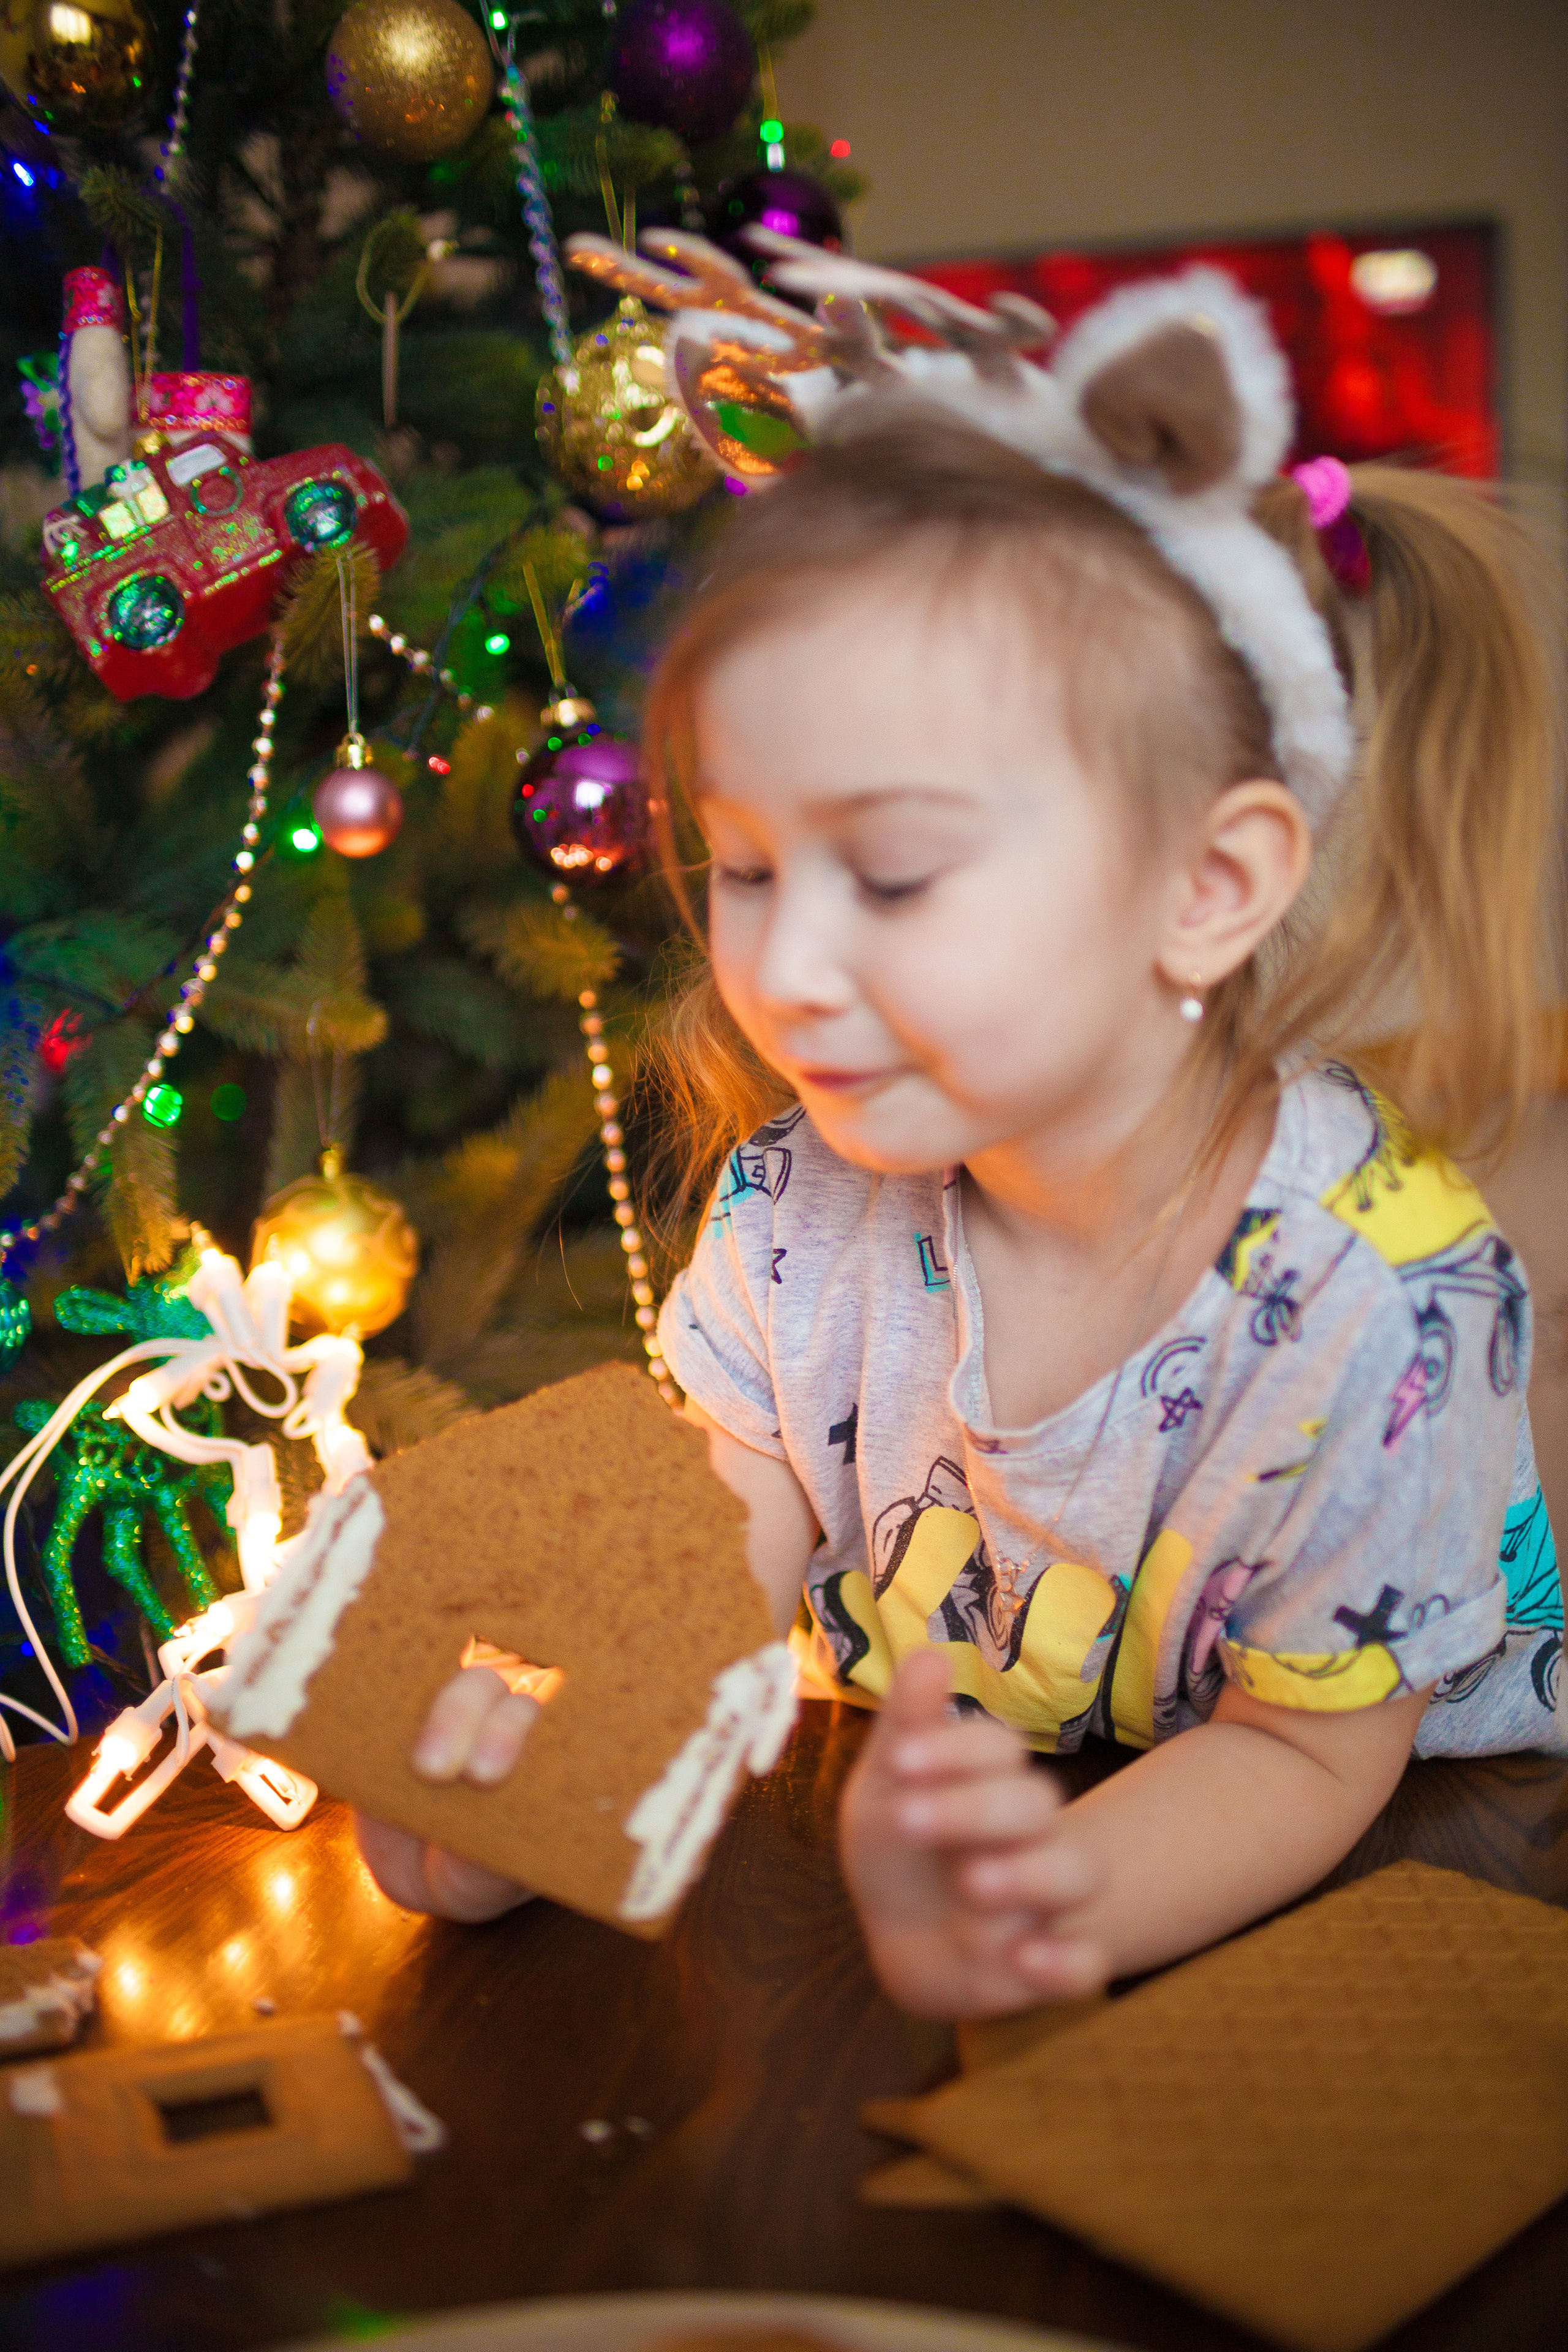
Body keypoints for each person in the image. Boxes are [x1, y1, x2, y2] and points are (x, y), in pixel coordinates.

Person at [355, 258, 1564, 2018]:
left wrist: (1039, 1906)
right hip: (925, 1792)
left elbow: (1308, 1757)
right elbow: (721, 1544)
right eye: (747, 865)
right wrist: (535, 1783)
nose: (786, 966)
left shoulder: (1385, 1301)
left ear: (1205, 887)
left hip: (1390, 1845)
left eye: (898, 872)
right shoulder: (800, 1206)